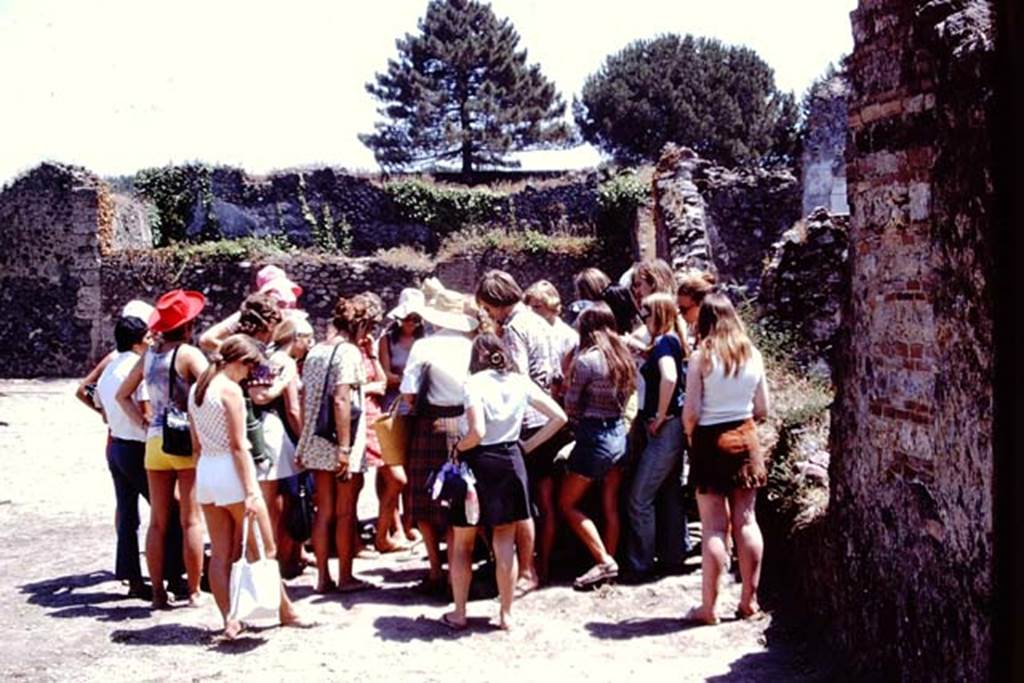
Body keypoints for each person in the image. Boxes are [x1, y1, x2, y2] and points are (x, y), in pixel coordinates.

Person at [444, 334, 567, 631]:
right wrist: (527, 445)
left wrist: (459, 448)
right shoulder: (520, 381)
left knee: (463, 544)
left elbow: (477, 431)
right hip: (511, 460)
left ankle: (459, 613)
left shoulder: (473, 383)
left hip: (478, 461)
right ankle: (506, 614)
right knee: (504, 542)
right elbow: (559, 417)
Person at [187, 334, 303, 639]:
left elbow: (196, 445)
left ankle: (231, 619)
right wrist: (252, 490)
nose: (250, 374)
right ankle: (283, 611)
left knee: (222, 552)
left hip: (207, 471)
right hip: (231, 472)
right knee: (264, 547)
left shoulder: (197, 390)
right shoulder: (230, 391)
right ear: (240, 362)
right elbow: (239, 446)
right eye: (249, 368)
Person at [115, 289, 209, 609]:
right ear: (187, 325)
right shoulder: (188, 355)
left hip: (155, 440)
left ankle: (157, 593)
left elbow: (122, 395)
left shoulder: (149, 355)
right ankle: (194, 590)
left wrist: (144, 425)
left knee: (158, 519)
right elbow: (211, 391)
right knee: (191, 519)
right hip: (183, 439)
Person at [682, 292, 769, 626]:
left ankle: (709, 607)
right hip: (745, 437)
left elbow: (690, 412)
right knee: (747, 521)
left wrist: (693, 439)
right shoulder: (753, 354)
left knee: (713, 528)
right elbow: (763, 408)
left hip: (709, 439)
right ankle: (750, 601)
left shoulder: (701, 356)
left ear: (704, 321)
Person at [475, 269, 557, 590]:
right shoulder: (538, 320)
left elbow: (517, 376)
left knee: (524, 504)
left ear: (497, 302)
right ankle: (543, 566)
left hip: (526, 424)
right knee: (544, 501)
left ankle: (527, 571)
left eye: (488, 307)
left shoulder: (512, 329)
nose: (488, 314)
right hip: (546, 414)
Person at [399, 288, 478, 597]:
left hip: (429, 424)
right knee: (456, 496)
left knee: (423, 497)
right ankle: (458, 567)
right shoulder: (472, 347)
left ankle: (435, 569)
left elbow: (408, 393)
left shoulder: (423, 346)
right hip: (464, 424)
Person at [293, 296, 373, 594]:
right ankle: (346, 577)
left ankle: (323, 577)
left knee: (323, 511)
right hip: (340, 440)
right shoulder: (348, 352)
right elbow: (341, 398)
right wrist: (344, 447)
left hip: (315, 437)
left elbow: (305, 398)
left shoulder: (314, 352)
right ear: (359, 324)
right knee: (345, 512)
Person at [559, 303, 635, 588]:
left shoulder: (586, 361)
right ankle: (610, 565)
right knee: (610, 503)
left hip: (594, 436)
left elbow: (571, 405)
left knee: (566, 504)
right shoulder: (623, 356)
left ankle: (603, 560)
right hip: (618, 433)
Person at [623, 293, 689, 583]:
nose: (643, 320)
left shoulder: (664, 342)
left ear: (658, 314)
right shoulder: (669, 341)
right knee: (669, 491)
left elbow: (670, 377)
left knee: (639, 498)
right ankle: (673, 554)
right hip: (671, 427)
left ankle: (641, 562)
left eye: (646, 314)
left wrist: (661, 415)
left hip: (664, 427)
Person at [95, 315, 155, 599]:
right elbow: (145, 410)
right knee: (169, 510)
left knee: (127, 516)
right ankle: (172, 573)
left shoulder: (109, 370)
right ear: (137, 341)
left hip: (116, 444)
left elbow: (97, 401)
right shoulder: (135, 369)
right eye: (147, 337)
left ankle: (133, 578)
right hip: (137, 446)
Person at [259, 316, 314, 576]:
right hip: (284, 435)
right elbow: (293, 409)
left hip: (264, 429)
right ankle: (285, 558)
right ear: (296, 338)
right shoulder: (288, 364)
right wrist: (305, 440)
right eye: (307, 338)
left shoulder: (265, 359)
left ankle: (277, 556)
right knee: (291, 498)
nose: (309, 344)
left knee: (274, 500)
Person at [378, 288, 426, 548]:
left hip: (416, 407)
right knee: (392, 469)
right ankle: (393, 524)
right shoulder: (387, 339)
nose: (410, 324)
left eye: (415, 319)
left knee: (411, 467)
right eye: (407, 318)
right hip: (394, 407)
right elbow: (385, 375)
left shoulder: (424, 339)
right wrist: (410, 380)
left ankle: (409, 523)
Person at [524, 279, 579, 401]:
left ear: (551, 305)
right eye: (529, 307)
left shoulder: (568, 335)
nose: (532, 312)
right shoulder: (528, 332)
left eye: (537, 307)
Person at [677, 269, 718, 340]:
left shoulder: (718, 334)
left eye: (683, 309)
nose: (680, 313)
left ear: (701, 304)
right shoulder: (697, 331)